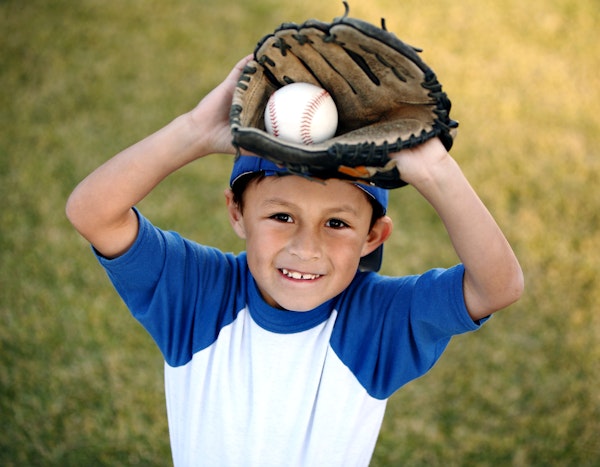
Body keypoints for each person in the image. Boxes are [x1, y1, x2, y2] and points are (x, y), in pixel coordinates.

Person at [66, 55, 524, 466]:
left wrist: (436, 171)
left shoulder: (374, 324)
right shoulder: (198, 294)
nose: (307, 248)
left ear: (373, 236)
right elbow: (92, 213)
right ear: (237, 212)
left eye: (337, 224)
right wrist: (193, 133)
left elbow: (497, 287)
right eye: (282, 216)